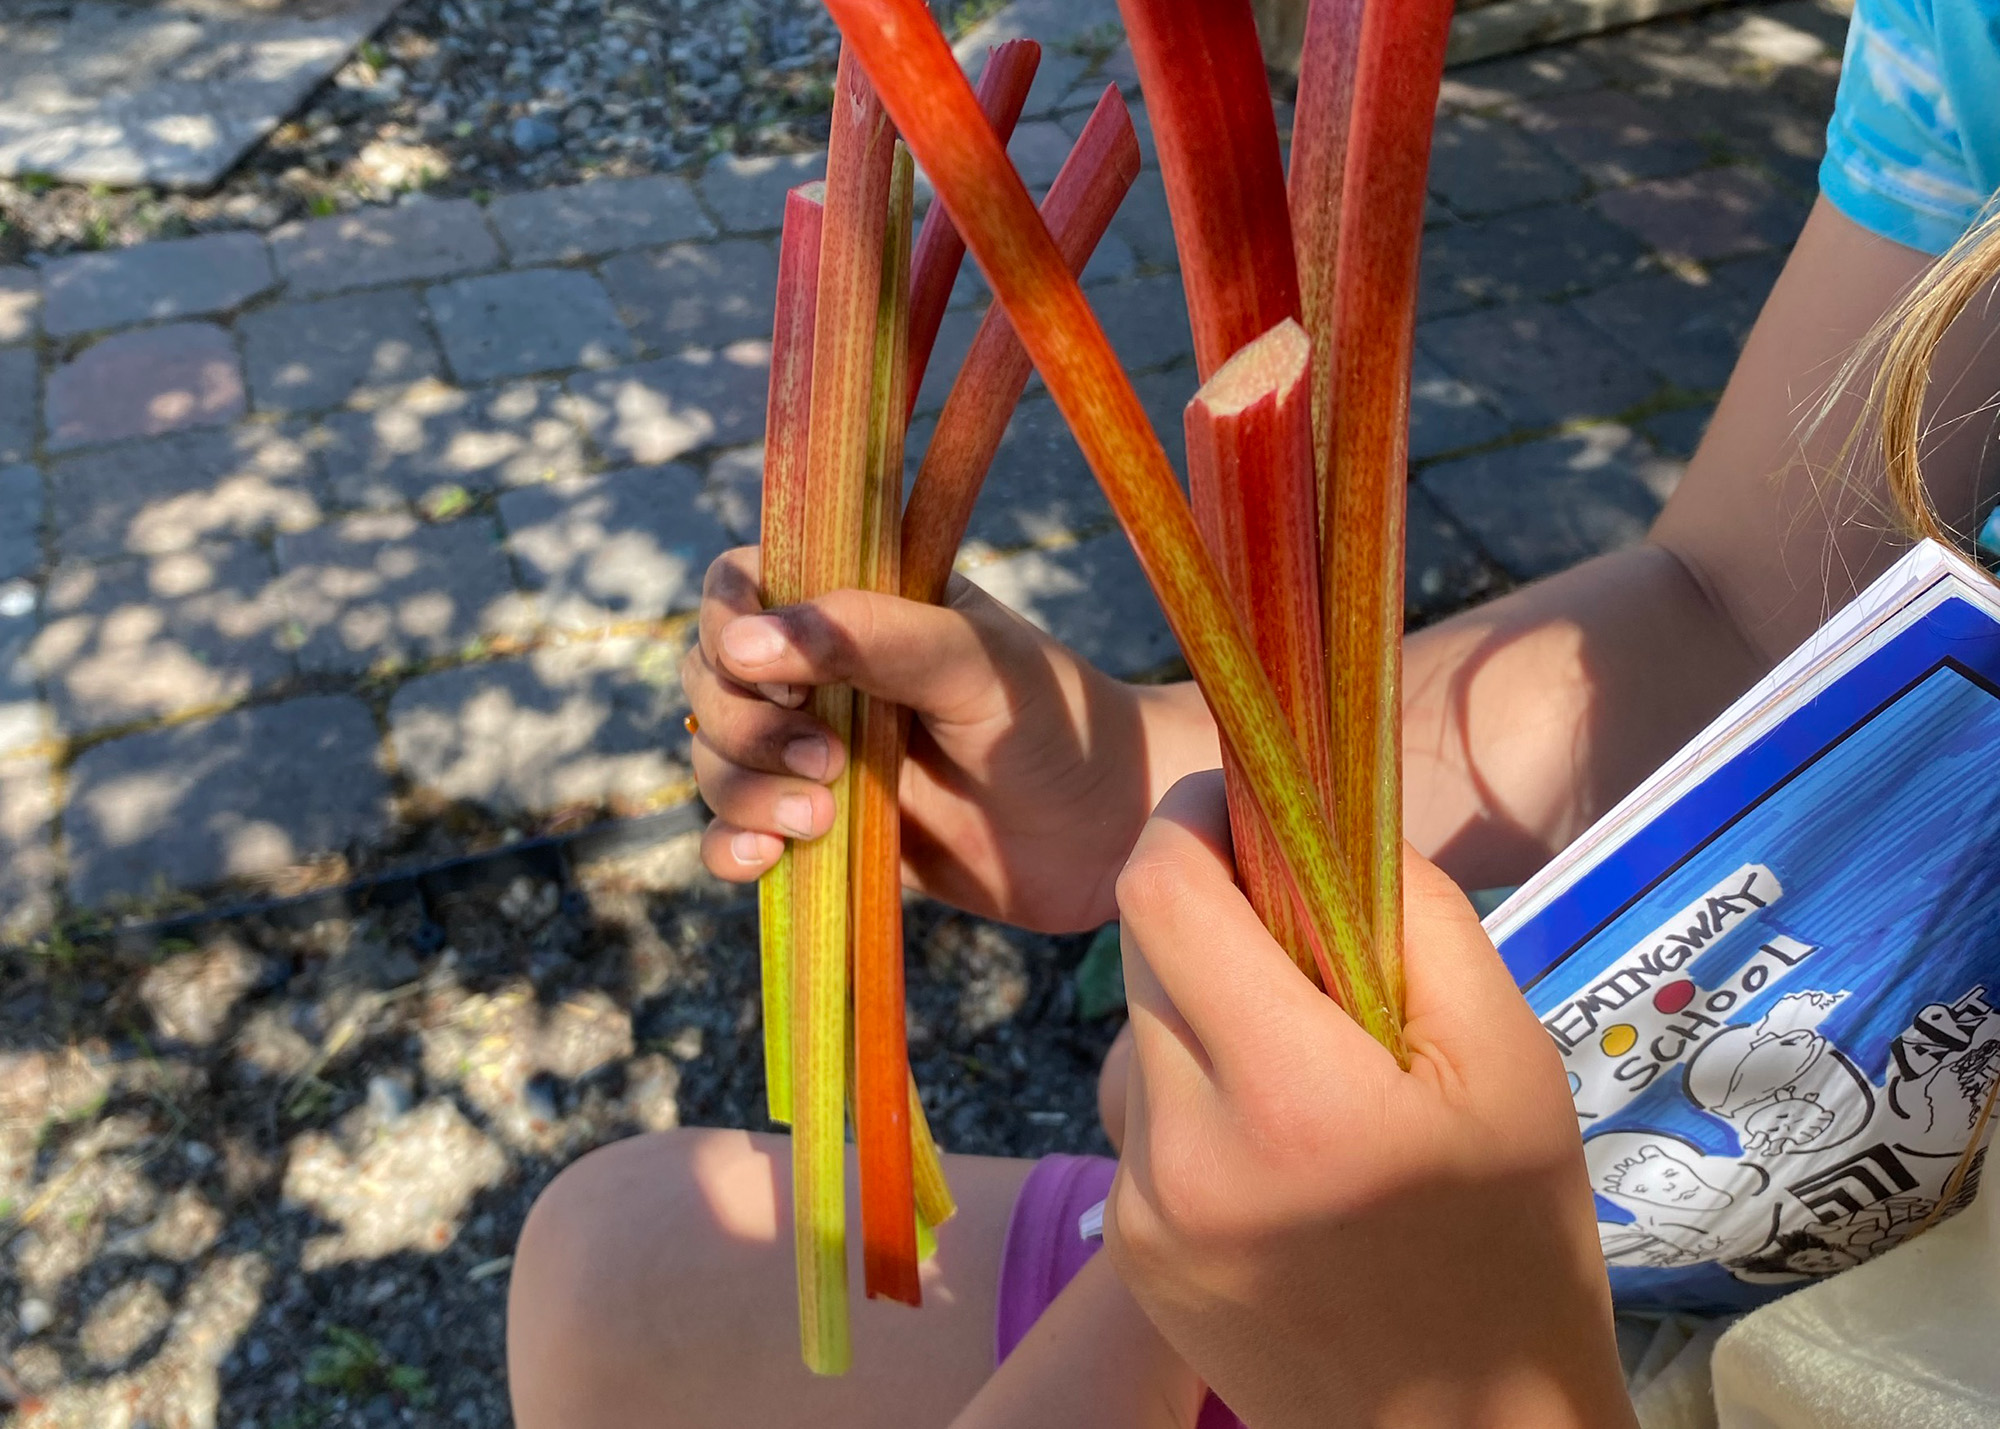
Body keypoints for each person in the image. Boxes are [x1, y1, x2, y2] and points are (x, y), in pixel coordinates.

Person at [505, 0, 2000, 1421]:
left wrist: (1457, 1386)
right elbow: (1742, 606)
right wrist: (1139, 768)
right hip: (1691, 1241)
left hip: (1598, 1352)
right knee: (608, 1276)